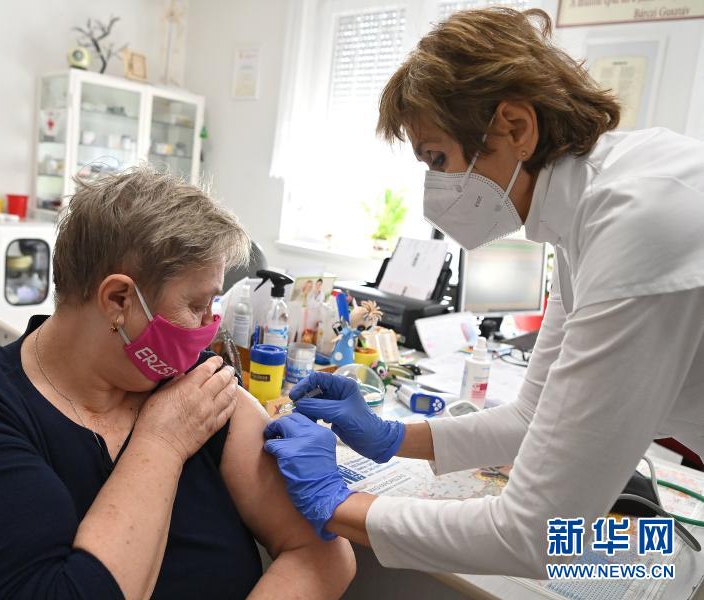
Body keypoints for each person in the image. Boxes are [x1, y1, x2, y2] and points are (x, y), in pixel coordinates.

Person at [263, 7, 704, 578]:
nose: (435, 188)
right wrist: (392, 435)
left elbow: (535, 536)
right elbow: (530, 416)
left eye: (438, 159)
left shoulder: (638, 219)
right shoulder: (584, 220)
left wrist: (335, 501)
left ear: (516, 128)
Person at [0, 168, 355, 599]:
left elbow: (324, 552)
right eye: (197, 305)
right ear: (118, 299)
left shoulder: (195, 385)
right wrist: (162, 440)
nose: (209, 327)